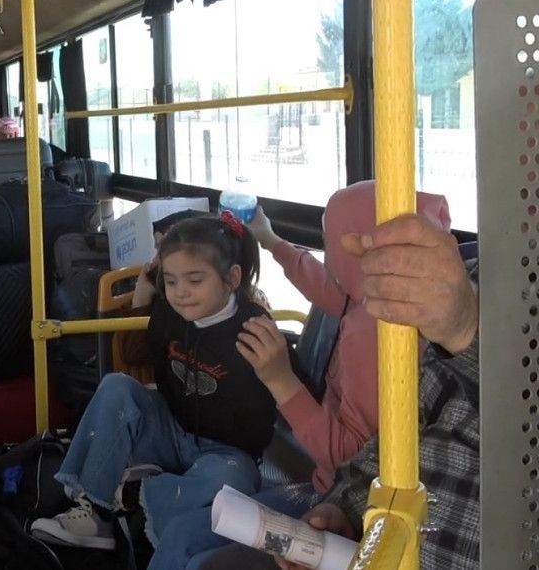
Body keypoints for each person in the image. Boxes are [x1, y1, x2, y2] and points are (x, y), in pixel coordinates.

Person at [202, 213, 480, 570]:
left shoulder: (374, 333)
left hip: (353, 500)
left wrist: (281, 382)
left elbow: (345, 450)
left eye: (329, 244)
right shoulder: (354, 308)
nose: (326, 260)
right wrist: (345, 508)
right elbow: (313, 278)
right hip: (361, 511)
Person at [29, 214, 280, 556]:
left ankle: (135, 497)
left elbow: (284, 396)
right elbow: (133, 354)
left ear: (231, 278)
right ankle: (97, 512)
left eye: (195, 280)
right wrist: (145, 294)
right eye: (171, 281)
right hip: (173, 431)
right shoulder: (169, 312)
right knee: (117, 386)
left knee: (234, 481)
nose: (181, 293)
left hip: (226, 452)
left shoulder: (254, 328)